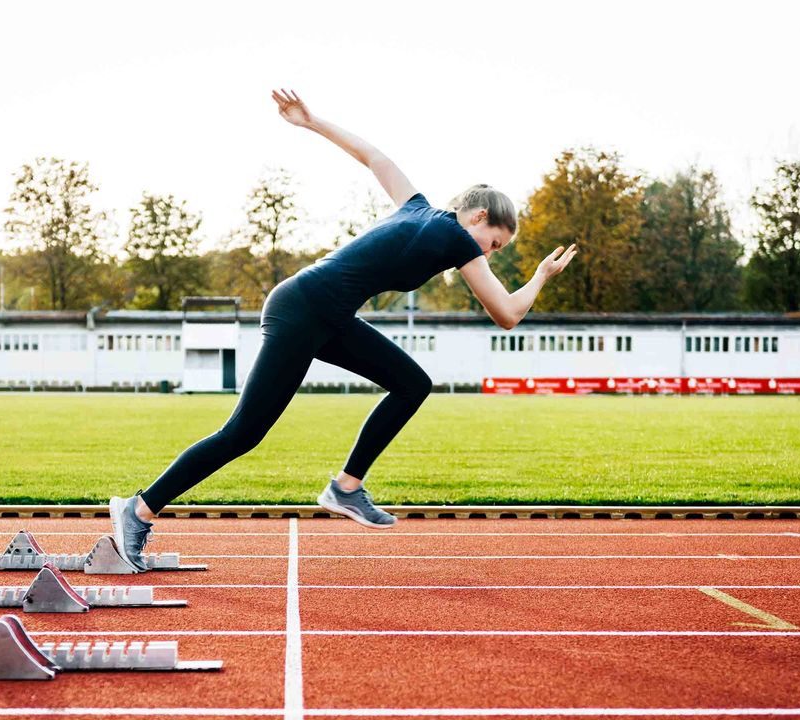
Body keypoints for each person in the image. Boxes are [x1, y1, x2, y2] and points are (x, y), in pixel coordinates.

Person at [109, 89, 578, 570]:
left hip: (324, 313)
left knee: (411, 383)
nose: (489, 254)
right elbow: (507, 313)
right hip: (304, 310)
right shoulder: (460, 239)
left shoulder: (416, 205)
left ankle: (346, 487)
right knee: (243, 432)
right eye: (494, 243)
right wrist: (539, 277)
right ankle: (138, 509)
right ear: (478, 217)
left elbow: (373, 156)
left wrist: (312, 122)